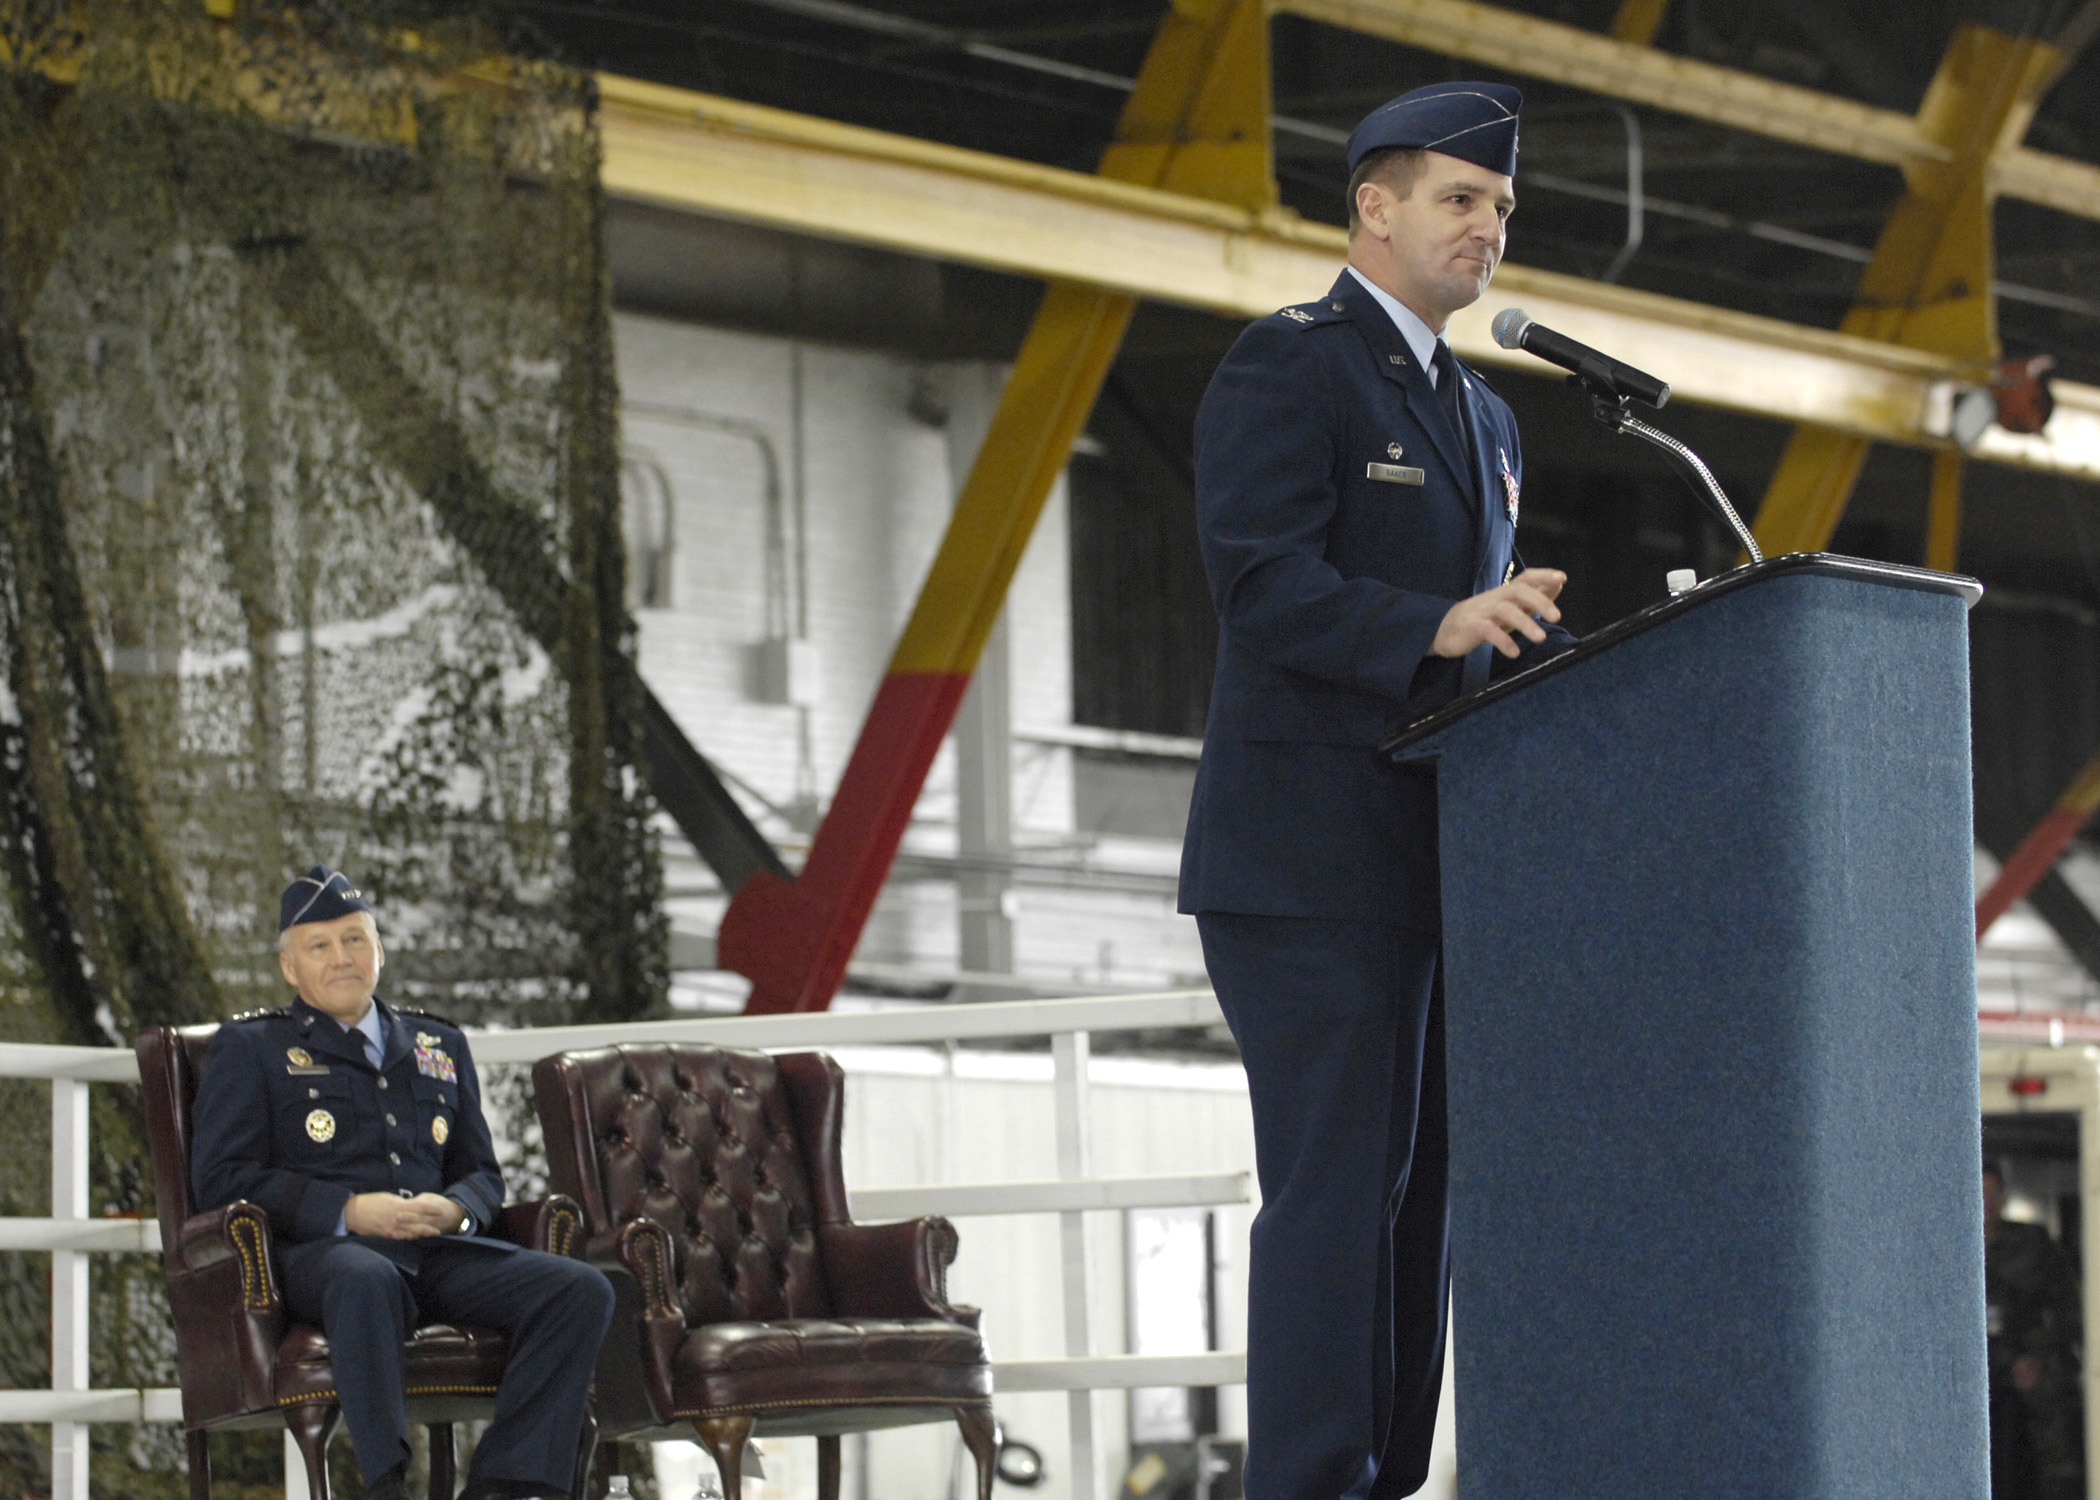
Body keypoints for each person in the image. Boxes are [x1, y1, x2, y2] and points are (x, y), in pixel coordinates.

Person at [1178, 82, 1574, 1500]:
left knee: (1423, 1205)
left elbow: (1488, 634)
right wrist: (1435, 623)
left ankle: (1386, 1477)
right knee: (1339, 1195)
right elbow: (1262, 581)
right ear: (1376, 206)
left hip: (1438, 864)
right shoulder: (1293, 365)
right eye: (1462, 200)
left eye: (1504, 210)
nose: (1488, 230)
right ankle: (1305, 1480)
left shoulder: (1487, 415)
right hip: (1304, 863)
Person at [191, 866, 614, 1500]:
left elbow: (481, 1174)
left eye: (355, 939)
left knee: (581, 1290)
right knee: (365, 1275)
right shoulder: (252, 1048)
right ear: (290, 969)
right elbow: (221, 1179)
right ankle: (387, 1483)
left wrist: (457, 1212)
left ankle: (507, 1482)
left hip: (434, 1251)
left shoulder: (437, 1042)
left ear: (380, 951)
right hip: (322, 1257)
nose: (342, 958)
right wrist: (349, 1211)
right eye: (320, 946)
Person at [1984, 1160, 2085, 1500]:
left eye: (1990, 1194)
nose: (1985, 1204)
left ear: (2002, 1197)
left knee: (2051, 1466)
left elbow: (2067, 1309)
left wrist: (2039, 1359)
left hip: (2032, 1375)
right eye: (1977, 1194)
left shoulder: (2031, 1243)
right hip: (1977, 1378)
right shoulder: (1947, 1251)